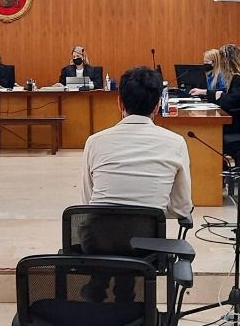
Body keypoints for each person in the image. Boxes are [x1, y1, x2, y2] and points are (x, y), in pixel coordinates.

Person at [79, 66, 193, 301]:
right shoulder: (175, 143)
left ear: (119, 102)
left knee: (108, 233)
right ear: (157, 106)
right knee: (133, 238)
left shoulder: (95, 142)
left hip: (97, 242)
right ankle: (126, 298)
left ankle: (96, 291)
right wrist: (148, 208)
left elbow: (88, 201)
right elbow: (182, 208)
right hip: (146, 245)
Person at [190, 43, 240, 134]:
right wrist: (217, 94)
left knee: (202, 129)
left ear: (227, 64)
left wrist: (219, 95)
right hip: (239, 123)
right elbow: (229, 94)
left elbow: (231, 102)